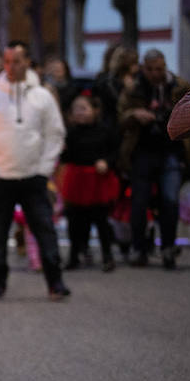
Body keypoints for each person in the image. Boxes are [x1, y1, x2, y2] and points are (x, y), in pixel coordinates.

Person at [0, 40, 70, 300]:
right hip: (0, 177)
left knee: (44, 228)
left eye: (16, 61)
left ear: (27, 63)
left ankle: (54, 281)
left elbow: (54, 133)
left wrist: (44, 167)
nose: (11, 67)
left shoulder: (42, 97)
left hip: (33, 176)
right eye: (7, 61)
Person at [118, 49, 190, 269]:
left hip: (171, 150)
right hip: (142, 150)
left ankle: (168, 247)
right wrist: (134, 115)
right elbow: (120, 117)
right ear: (143, 68)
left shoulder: (180, 87)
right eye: (149, 69)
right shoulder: (133, 88)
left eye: (158, 69)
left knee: (170, 199)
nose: (154, 74)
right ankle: (139, 248)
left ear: (165, 65)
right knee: (139, 202)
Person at [59, 95, 120, 272]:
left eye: (84, 108)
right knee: (75, 221)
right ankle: (74, 255)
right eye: (76, 109)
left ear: (95, 110)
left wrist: (106, 162)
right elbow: (65, 158)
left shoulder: (105, 131)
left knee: (101, 220)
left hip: (97, 180)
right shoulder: (70, 133)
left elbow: (115, 153)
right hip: (77, 179)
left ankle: (107, 256)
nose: (79, 112)